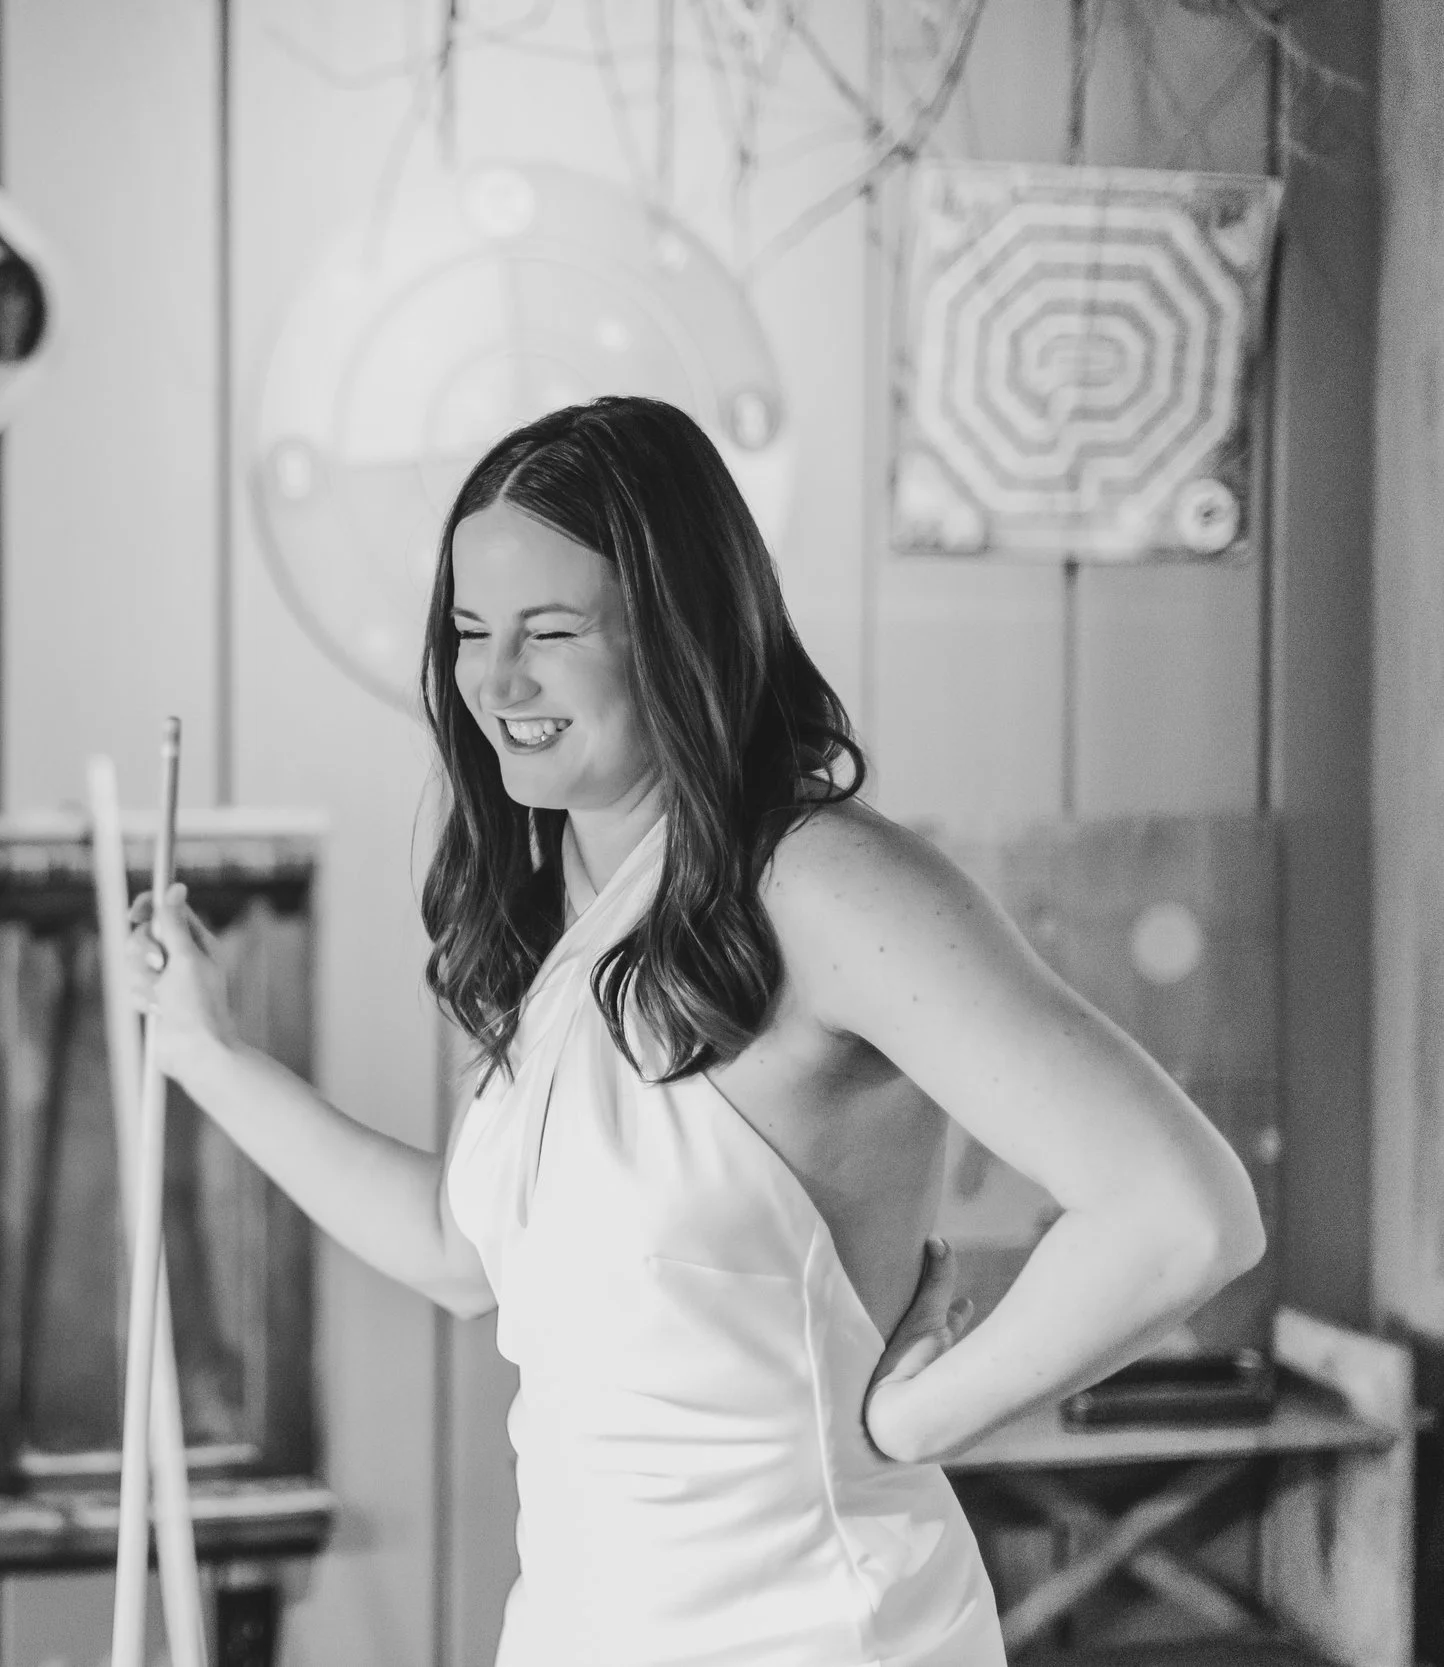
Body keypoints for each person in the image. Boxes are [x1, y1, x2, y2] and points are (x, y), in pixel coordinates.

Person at [128, 396, 1265, 1665]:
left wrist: (921, 1418)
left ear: (676, 636)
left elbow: (1181, 1212)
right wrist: (207, 1056)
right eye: (468, 632)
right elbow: (463, 1249)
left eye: (550, 632)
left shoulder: (825, 884)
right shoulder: (570, 913)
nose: (494, 682)